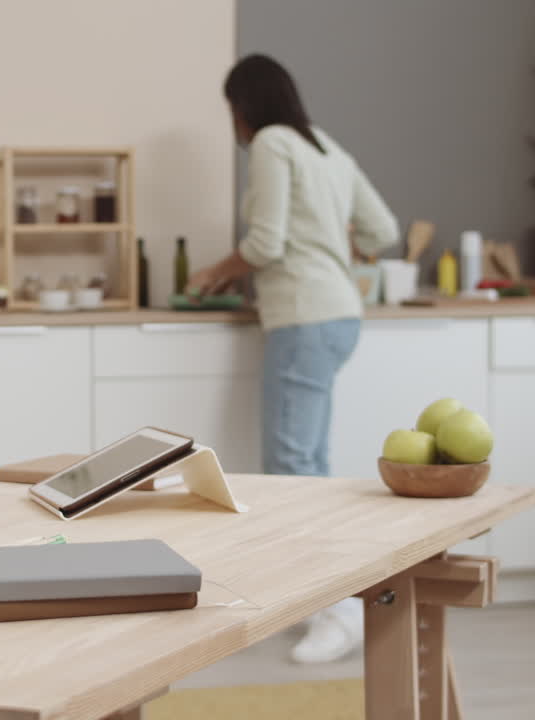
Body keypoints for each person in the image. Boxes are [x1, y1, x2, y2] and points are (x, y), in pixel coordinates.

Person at [187, 54, 399, 663]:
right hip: (340, 315)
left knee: (291, 468)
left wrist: (213, 273)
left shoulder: (274, 144)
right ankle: (333, 601)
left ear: (245, 105)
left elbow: (266, 243)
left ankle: (334, 613)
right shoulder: (325, 146)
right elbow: (381, 227)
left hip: (304, 315)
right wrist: (336, 243)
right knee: (312, 465)